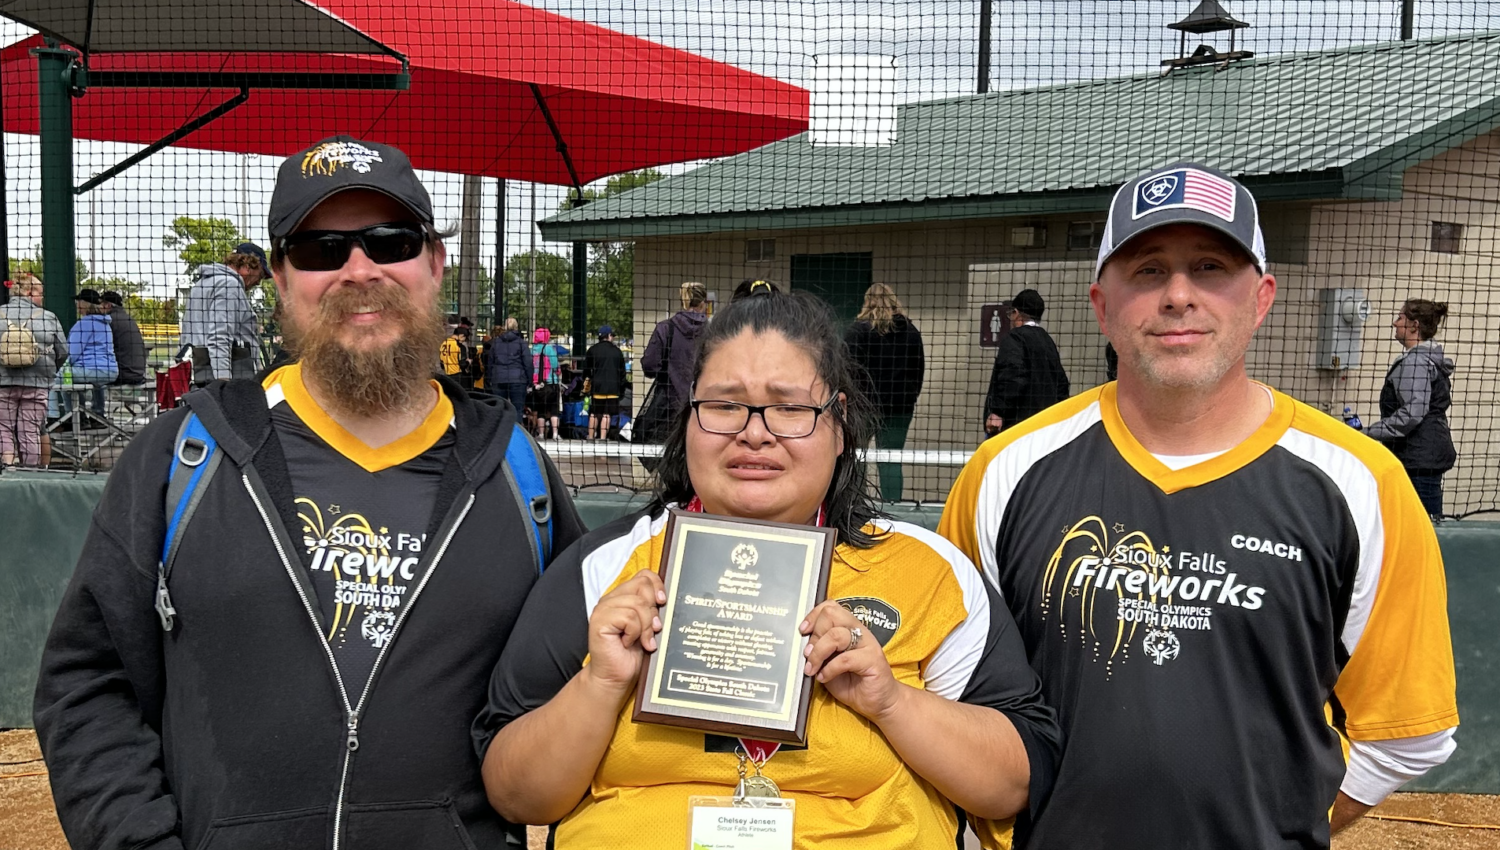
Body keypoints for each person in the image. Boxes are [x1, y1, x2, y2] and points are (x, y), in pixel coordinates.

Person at [34, 135, 584, 850]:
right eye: (321, 249)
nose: (360, 270)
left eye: (390, 241)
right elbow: (87, 682)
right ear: (283, 279)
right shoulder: (184, 455)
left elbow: (585, 690)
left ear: (434, 262)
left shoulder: (518, 471)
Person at [939, 162, 1458, 849]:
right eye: (1148, 270)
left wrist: (1276, 826)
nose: (1178, 295)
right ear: (1101, 303)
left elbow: (1407, 732)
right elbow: (952, 702)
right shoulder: (1003, 473)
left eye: (1211, 267)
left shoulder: (1362, 482)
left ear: (1262, 297)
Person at [476, 288, 1059, 850]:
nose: (754, 432)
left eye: (789, 407)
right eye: (724, 405)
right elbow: (515, 795)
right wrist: (599, 684)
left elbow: (1014, 783)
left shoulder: (928, 571)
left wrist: (892, 704)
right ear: (689, 418)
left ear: (839, 423)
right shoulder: (605, 570)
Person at [1360, 299, 1456, 519]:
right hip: (1424, 456)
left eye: (1400, 318)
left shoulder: (1416, 363)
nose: (1395, 323)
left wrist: (1367, 433)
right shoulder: (1427, 359)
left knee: (1423, 527)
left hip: (1418, 460)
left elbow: (1412, 413)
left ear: (1414, 326)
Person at [844, 282, 925, 500]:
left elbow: (847, 370)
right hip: (899, 407)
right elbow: (918, 371)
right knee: (890, 458)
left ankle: (856, 503)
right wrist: (909, 398)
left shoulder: (857, 331)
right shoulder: (910, 332)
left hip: (863, 407)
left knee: (857, 455)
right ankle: (893, 504)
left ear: (867, 302)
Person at [0, 274, 67, 467]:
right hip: (37, 384)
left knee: (3, 428)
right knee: (29, 430)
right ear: (29, 293)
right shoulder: (48, 317)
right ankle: (30, 472)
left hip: (3, 383)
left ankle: (7, 466)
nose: (42, 298)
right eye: (40, 293)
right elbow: (62, 351)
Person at [982, 289, 1069, 436]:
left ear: (1016, 313)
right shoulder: (1048, 342)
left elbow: (1012, 376)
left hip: (1016, 427)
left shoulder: (1014, 338)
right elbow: (1062, 384)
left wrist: (998, 411)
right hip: (1044, 428)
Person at [180, 242, 267, 385]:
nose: (258, 282)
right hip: (227, 379)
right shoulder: (229, 285)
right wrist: (222, 384)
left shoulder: (201, 284)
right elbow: (219, 337)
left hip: (198, 374)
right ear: (247, 266)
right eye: (261, 274)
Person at [641, 280, 709, 412]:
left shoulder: (666, 328)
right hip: (700, 407)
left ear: (683, 302)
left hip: (668, 407)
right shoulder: (712, 332)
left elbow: (649, 366)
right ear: (702, 304)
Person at [52, 287, 117, 419]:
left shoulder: (83, 324)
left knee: (52, 377)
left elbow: (71, 354)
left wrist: (59, 367)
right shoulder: (105, 324)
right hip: (111, 371)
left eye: (78, 302)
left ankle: (59, 417)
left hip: (92, 370)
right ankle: (95, 415)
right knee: (73, 380)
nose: (77, 305)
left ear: (83, 304)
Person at [584, 324, 626, 440]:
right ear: (608, 336)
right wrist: (621, 389)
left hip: (597, 387)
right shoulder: (617, 352)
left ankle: (591, 437)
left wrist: (586, 388)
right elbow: (622, 373)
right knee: (607, 414)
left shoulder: (592, 350)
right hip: (613, 388)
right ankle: (603, 438)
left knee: (594, 413)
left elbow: (586, 371)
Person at [100, 290, 148, 387]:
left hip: (123, 374)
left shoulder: (109, 321)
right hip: (138, 373)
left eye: (100, 304)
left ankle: (96, 403)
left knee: (93, 377)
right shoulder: (128, 318)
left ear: (108, 305)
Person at [486, 317, 532, 416]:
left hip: (499, 378)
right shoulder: (521, 343)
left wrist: (489, 378)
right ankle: (515, 430)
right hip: (518, 379)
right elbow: (528, 362)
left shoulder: (496, 343)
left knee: (499, 410)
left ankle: (501, 430)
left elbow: (490, 362)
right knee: (517, 410)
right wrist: (530, 380)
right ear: (516, 327)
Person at [530, 327, 562, 439]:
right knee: (554, 410)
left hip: (537, 385)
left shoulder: (532, 350)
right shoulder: (549, 349)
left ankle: (541, 434)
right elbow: (555, 365)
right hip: (551, 383)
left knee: (540, 411)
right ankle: (555, 434)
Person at [440, 324, 475, 390]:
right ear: (461, 336)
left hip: (446, 375)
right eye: (465, 338)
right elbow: (462, 364)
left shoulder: (444, 343)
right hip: (458, 376)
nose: (464, 340)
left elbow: (441, 363)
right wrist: (468, 362)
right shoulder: (460, 346)